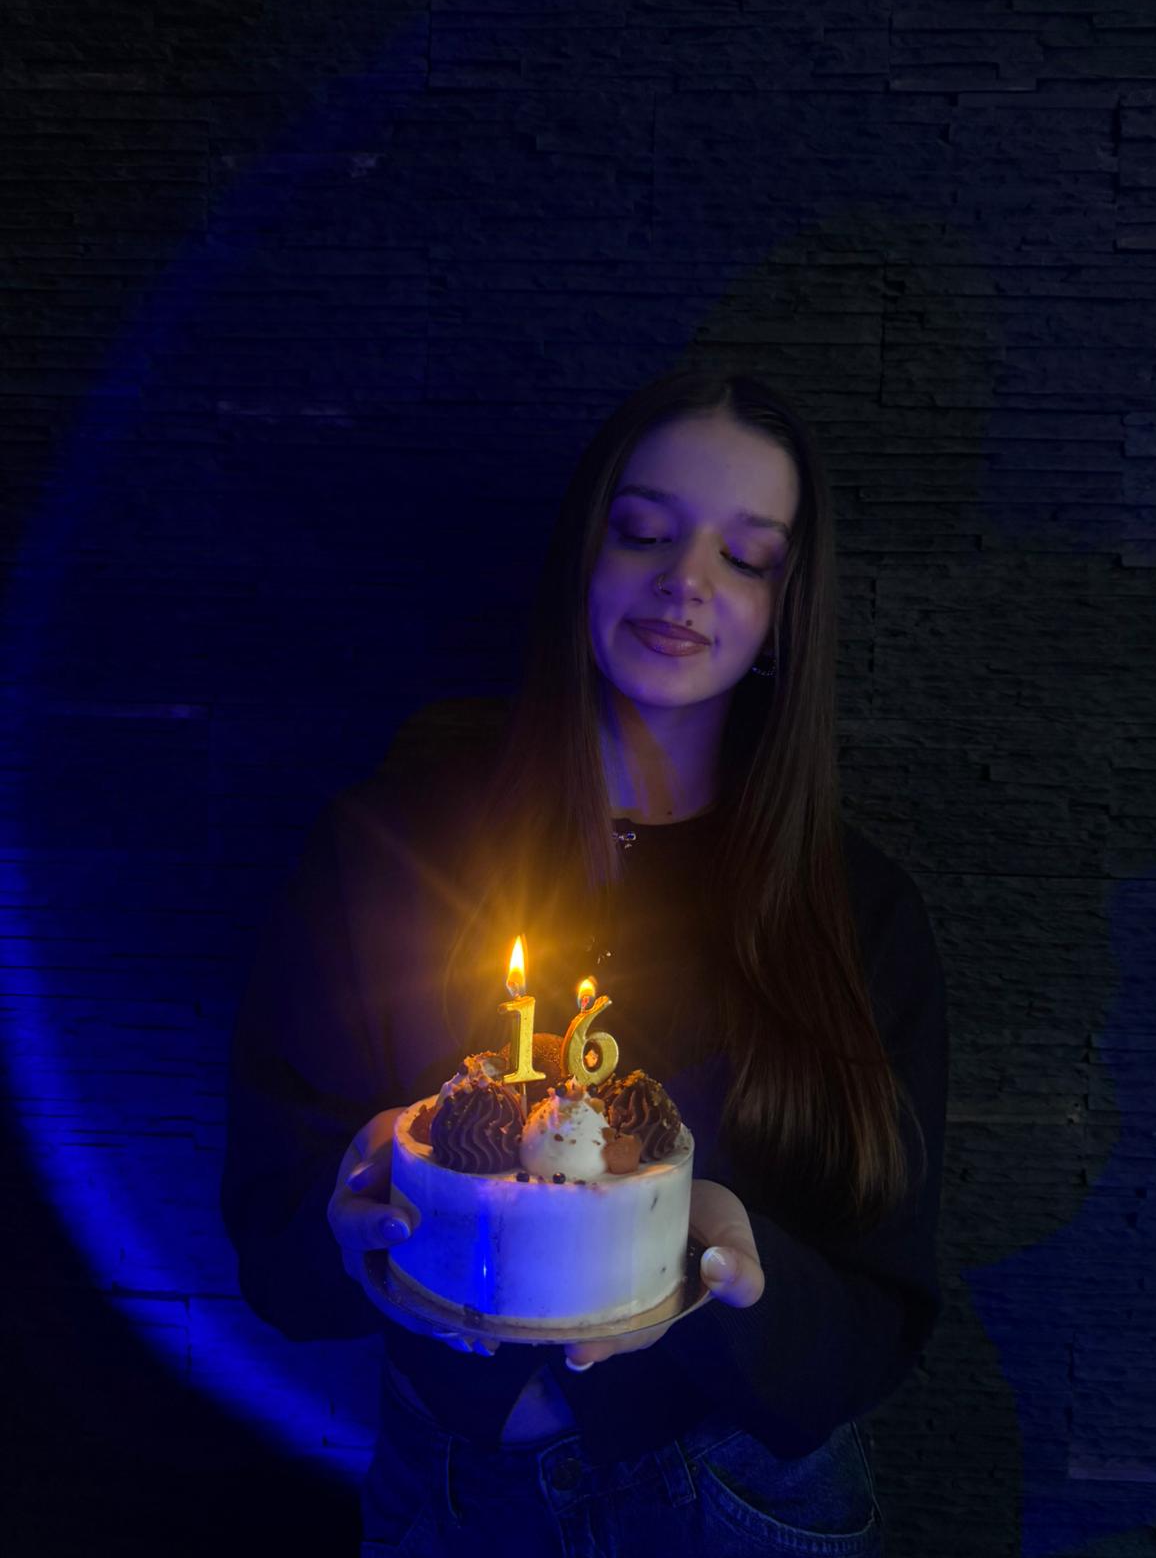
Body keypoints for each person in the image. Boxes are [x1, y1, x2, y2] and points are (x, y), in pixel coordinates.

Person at [220, 367, 949, 1557]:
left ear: (786, 614)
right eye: (647, 530)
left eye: (750, 557)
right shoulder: (387, 849)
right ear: (583, 554)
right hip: (444, 1490)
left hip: (743, 1502)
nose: (687, 581)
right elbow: (275, 1256)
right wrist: (342, 1221)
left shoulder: (861, 915)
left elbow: (878, 1330)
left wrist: (729, 1268)